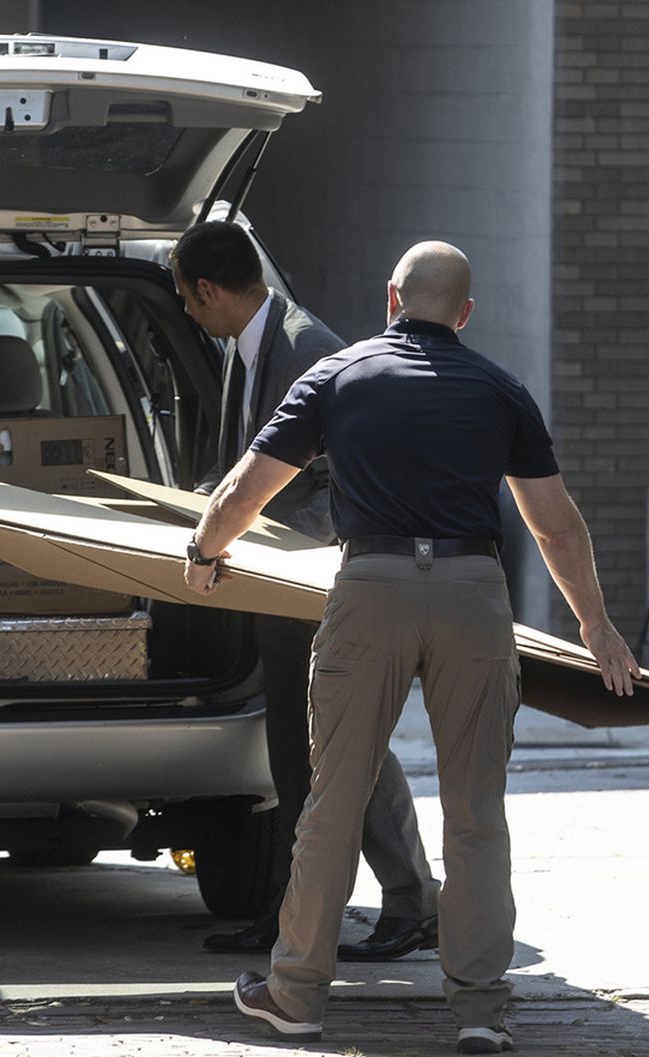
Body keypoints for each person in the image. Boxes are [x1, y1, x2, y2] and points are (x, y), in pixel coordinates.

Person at [182, 240, 640, 1054]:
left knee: (334, 799)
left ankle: (296, 996)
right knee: (476, 815)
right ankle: (479, 1009)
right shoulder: (501, 390)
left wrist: (206, 552)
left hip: (374, 588)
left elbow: (247, 487)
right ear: (463, 314)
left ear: (390, 298)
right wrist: (595, 627)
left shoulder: (336, 375)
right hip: (472, 594)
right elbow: (555, 525)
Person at [169, 222, 441, 960]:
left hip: (314, 571)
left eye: (190, 305)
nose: (192, 319)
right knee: (295, 746)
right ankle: (294, 910)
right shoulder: (249, 344)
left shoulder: (305, 348)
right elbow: (251, 458)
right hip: (273, 570)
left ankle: (413, 899)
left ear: (209, 290)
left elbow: (326, 476)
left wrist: (230, 526)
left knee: (342, 738)